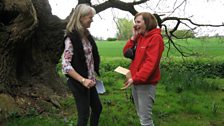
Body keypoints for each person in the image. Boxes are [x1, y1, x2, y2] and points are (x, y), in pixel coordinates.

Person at [61, 4, 102, 126]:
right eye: (90, 17)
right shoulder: (71, 38)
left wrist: (92, 75)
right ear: (81, 17)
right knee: (84, 115)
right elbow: (65, 66)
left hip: (90, 81)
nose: (92, 20)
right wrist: (83, 80)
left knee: (97, 108)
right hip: (79, 83)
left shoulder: (87, 36)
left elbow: (90, 58)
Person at [122, 12, 164, 126]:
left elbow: (151, 63)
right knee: (141, 115)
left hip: (146, 84)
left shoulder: (155, 38)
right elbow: (126, 52)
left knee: (145, 119)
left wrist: (135, 79)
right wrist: (133, 38)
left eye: (138, 22)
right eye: (135, 22)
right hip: (135, 81)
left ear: (148, 22)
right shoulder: (140, 37)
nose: (135, 25)